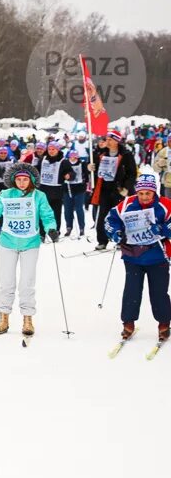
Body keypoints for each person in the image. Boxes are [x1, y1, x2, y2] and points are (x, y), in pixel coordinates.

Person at [0, 163, 57, 337]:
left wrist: (51, 228)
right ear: (14, 180)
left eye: (25, 180)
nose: (22, 183)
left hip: (30, 243)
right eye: (19, 180)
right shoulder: (6, 194)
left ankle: (28, 320)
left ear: (31, 180)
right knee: (6, 282)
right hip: (8, 242)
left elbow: (47, 214)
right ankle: (4, 319)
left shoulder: (39, 196)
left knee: (27, 283)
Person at [105, 173, 171, 342]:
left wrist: (163, 229)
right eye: (141, 193)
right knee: (132, 291)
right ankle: (128, 322)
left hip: (158, 257)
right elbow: (110, 220)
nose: (144, 197)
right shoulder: (127, 203)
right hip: (132, 256)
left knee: (159, 292)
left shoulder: (165, 205)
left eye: (148, 193)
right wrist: (115, 233)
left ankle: (164, 323)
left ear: (154, 192)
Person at [91, 129, 138, 250]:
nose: (107, 141)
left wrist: (127, 187)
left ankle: (121, 240)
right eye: (107, 139)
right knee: (102, 216)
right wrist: (90, 167)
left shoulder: (126, 154)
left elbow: (132, 173)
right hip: (104, 190)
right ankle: (102, 241)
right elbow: (95, 169)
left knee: (120, 216)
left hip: (119, 190)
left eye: (110, 139)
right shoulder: (101, 154)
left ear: (117, 141)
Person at [63, 150, 89, 237]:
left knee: (79, 209)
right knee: (68, 209)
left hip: (79, 188)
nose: (73, 158)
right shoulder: (65, 163)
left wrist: (87, 184)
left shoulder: (82, 163)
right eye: (71, 156)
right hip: (68, 188)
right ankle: (69, 227)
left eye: (75, 156)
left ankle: (82, 227)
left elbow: (87, 173)